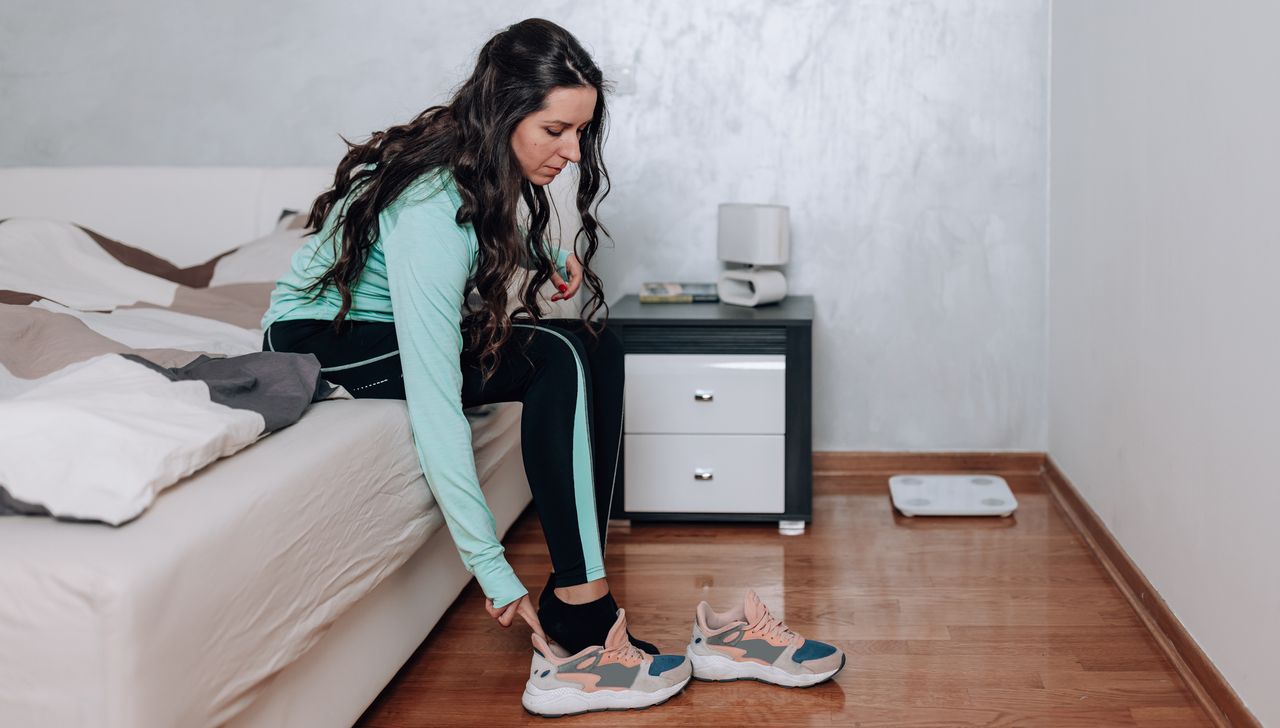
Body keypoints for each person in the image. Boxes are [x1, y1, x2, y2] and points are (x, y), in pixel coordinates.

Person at [260, 18, 656, 657]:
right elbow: (434, 390)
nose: (574, 151)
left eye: (580, 131)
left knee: (595, 343)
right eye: (556, 131)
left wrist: (544, 251)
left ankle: (579, 589)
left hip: (370, 326)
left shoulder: (470, 165)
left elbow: (479, 227)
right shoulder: (428, 202)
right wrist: (490, 567)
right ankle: (584, 606)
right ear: (505, 116)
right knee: (555, 355)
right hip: (318, 341)